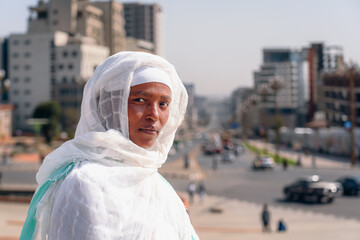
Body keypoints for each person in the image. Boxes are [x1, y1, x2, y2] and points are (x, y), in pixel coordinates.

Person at [20, 51, 199, 240]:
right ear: (111, 107)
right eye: (140, 100)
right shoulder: (85, 183)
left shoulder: (158, 186)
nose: (154, 114)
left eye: (163, 104)